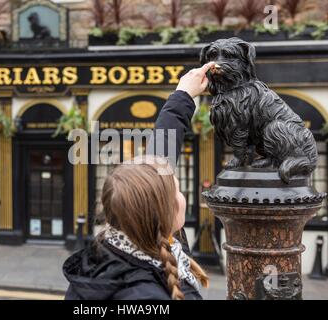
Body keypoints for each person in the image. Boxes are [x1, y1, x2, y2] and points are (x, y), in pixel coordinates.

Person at [63, 62, 216, 300]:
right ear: (164, 213)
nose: (182, 197)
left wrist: (183, 95)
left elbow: (159, 159)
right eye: (177, 192)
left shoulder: (113, 251)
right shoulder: (144, 297)